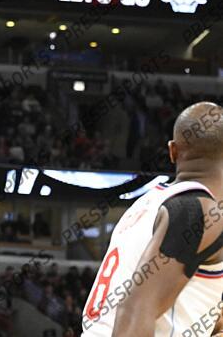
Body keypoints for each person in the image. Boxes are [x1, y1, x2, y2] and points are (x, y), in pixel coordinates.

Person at [80, 102, 223, 335]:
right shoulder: (196, 211)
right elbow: (135, 311)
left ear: (173, 151)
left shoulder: (146, 204)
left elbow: (186, 304)